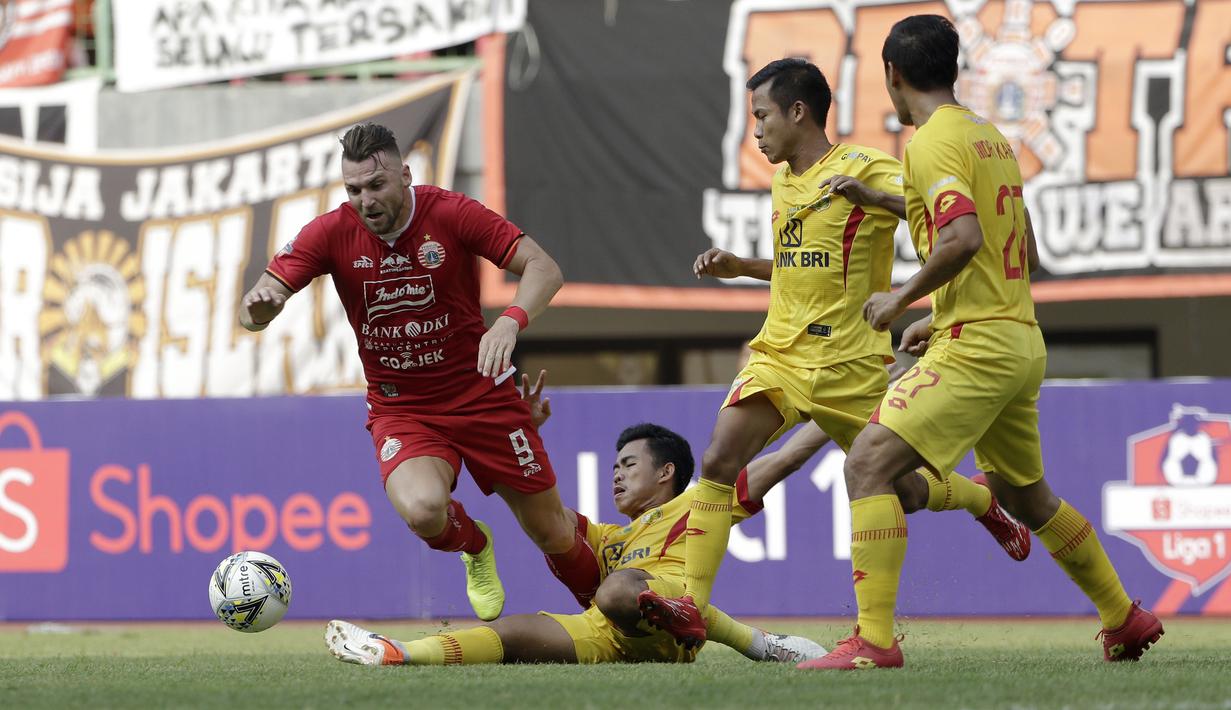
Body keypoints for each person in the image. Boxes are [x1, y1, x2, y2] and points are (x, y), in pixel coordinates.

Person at [799, 15, 1163, 670]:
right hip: (1017, 337)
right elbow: (1013, 241)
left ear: (892, 75)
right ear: (953, 68)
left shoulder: (929, 142)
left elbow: (961, 238)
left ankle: (873, 642)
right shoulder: (986, 137)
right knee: (1028, 498)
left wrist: (901, 298)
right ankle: (1122, 617)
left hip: (980, 347)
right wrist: (884, 207)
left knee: (866, 464)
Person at [636, 58, 1031, 649]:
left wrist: (872, 199)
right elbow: (798, 268)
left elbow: (935, 216)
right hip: (783, 355)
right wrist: (742, 267)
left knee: (905, 491)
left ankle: (978, 499)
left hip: (853, 364)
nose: (757, 130)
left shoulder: (865, 166)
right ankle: (691, 605)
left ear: (799, 112)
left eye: (762, 116)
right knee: (720, 460)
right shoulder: (781, 182)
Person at [238, 122, 601, 622]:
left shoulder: (451, 213)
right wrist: (261, 307)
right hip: (403, 409)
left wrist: (509, 324)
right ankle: (475, 546)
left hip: (483, 396)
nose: (365, 200)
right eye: (354, 190)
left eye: (376, 185)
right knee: (424, 510)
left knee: (552, 533)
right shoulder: (330, 232)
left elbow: (545, 269)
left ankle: (614, 619)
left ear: (405, 176)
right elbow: (256, 306)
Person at [324, 373, 827, 667]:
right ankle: (396, 654)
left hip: (654, 610)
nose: (617, 475)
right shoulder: (609, 537)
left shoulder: (699, 504)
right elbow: (542, 512)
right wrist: (521, 433)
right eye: (613, 466)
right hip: (613, 636)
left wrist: (839, 414)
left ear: (666, 473)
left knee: (618, 589)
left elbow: (777, 462)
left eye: (629, 465)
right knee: (515, 632)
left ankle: (747, 640)